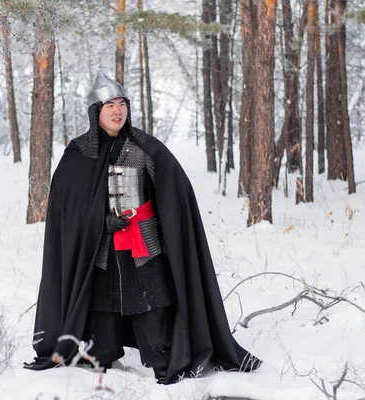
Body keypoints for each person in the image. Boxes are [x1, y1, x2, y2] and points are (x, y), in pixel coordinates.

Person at [24, 71, 261, 384]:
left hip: (143, 250)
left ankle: (164, 365)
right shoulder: (78, 154)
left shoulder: (145, 147)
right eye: (109, 105)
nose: (117, 110)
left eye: (122, 103)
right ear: (96, 112)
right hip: (101, 257)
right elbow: (66, 210)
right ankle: (103, 364)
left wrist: (165, 225)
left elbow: (176, 193)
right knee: (102, 328)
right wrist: (99, 221)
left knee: (153, 316)